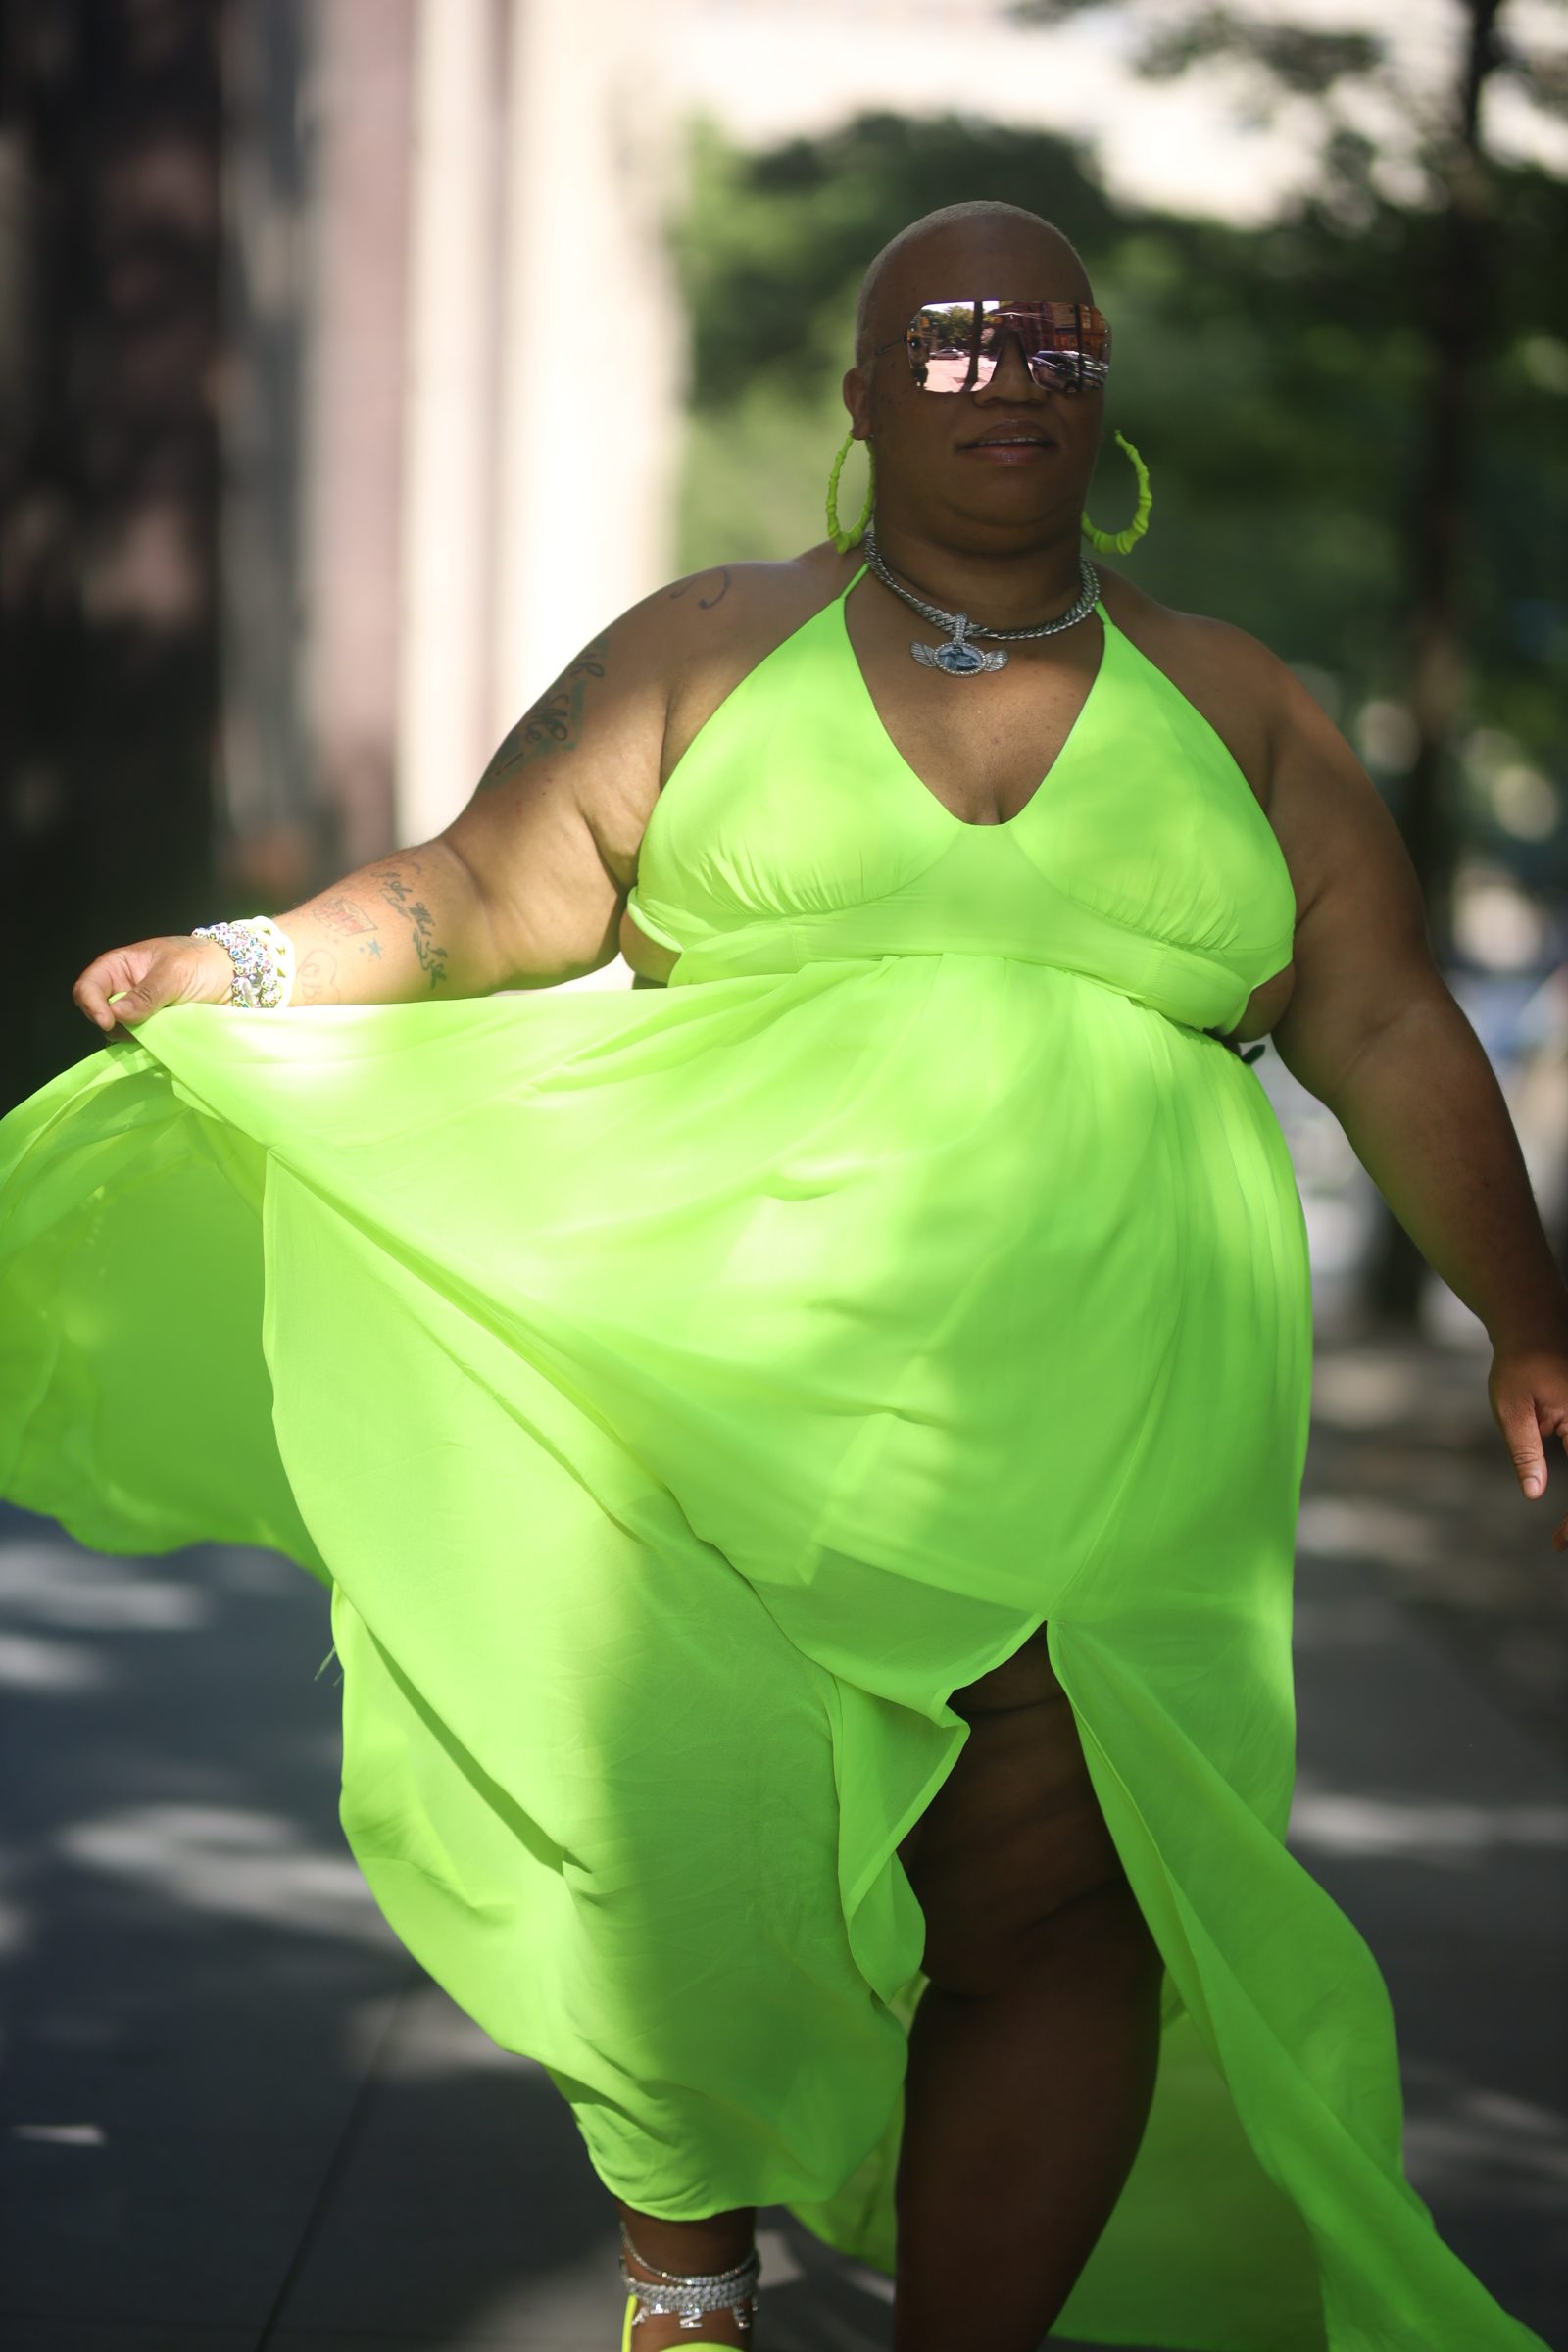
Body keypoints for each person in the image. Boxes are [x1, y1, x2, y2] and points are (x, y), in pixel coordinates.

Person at [2, 199, 1563, 2352]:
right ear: (857, 395)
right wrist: (249, 962)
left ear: (1101, 386)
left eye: (1046, 338)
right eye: (945, 339)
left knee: (1066, 1887)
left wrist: (1522, 1311)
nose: (999, 372)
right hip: (724, 1344)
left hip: (1122, 1383)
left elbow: (1380, 1017)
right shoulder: (712, 645)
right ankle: (686, 2258)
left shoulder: (1237, 700)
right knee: (697, 1817)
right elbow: (483, 893)